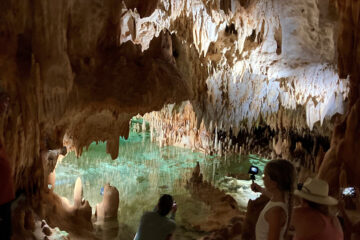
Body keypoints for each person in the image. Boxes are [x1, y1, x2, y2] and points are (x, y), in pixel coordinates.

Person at [251, 159, 295, 240]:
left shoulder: (275, 212)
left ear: (273, 183)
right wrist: (260, 189)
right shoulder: (282, 200)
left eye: (265, 176)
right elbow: (271, 196)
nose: (263, 179)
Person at [0, 140, 15, 240]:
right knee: (6, 223)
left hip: (3, 197)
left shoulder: (1, 159)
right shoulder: (3, 155)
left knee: (3, 224)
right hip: (7, 196)